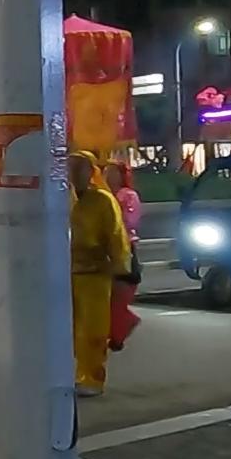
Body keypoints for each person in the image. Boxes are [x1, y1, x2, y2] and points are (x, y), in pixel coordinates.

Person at [70, 152, 131, 397]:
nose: (74, 173)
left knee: (93, 331)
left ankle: (92, 377)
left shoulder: (103, 201)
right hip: (65, 274)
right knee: (67, 330)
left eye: (80, 168)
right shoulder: (62, 199)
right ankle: (72, 373)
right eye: (70, 167)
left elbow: (116, 238)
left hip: (95, 275)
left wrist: (120, 271)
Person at [105, 161, 143, 352]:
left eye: (113, 172)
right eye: (106, 172)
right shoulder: (101, 195)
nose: (108, 176)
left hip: (124, 248)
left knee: (119, 296)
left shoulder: (128, 196)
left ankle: (119, 332)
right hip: (105, 249)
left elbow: (129, 221)